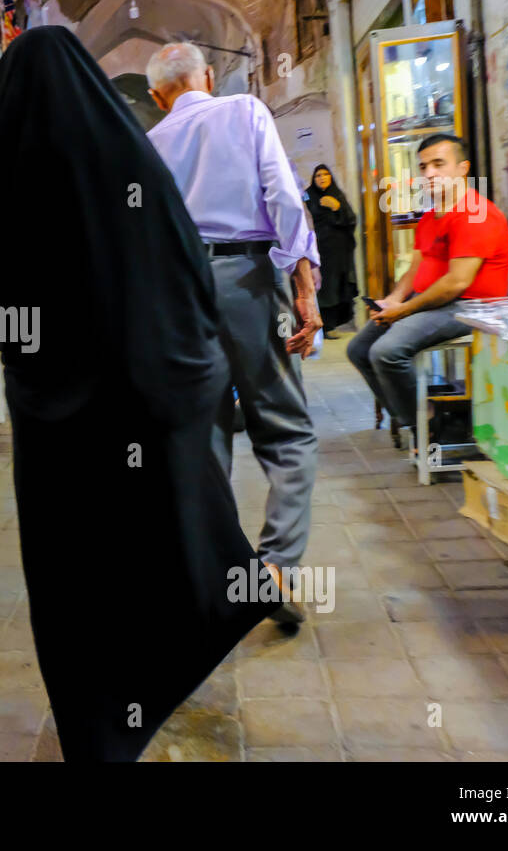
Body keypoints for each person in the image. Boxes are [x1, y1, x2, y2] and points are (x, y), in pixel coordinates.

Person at [0, 27, 280, 762]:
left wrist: (38, 360)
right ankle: (173, 654)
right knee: (154, 547)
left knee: (73, 575)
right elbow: (181, 271)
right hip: (139, 397)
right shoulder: (123, 154)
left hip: (49, 418)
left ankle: (97, 729)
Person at [145, 42, 319, 624]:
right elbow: (283, 195)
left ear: (156, 96)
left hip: (183, 290)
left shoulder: (150, 145)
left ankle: (213, 579)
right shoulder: (244, 110)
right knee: (287, 427)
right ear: (209, 77)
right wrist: (304, 286)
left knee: (208, 433)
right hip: (248, 279)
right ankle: (272, 570)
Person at [348, 133, 508, 433]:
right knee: (359, 348)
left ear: (463, 168)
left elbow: (456, 282)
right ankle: (417, 416)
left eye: (439, 164)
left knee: (386, 352)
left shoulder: (475, 214)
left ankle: (432, 425)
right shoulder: (431, 214)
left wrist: (405, 310)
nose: (429, 174)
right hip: (435, 302)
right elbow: (416, 267)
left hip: (471, 307)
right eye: (423, 167)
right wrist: (393, 300)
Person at [306, 164, 358, 336]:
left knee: (338, 286)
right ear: (314, 179)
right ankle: (325, 326)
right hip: (321, 249)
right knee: (325, 288)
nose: (322, 178)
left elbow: (351, 219)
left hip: (340, 250)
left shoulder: (337, 194)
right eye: (318, 175)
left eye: (325, 174)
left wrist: (337, 207)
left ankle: (334, 324)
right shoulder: (308, 195)